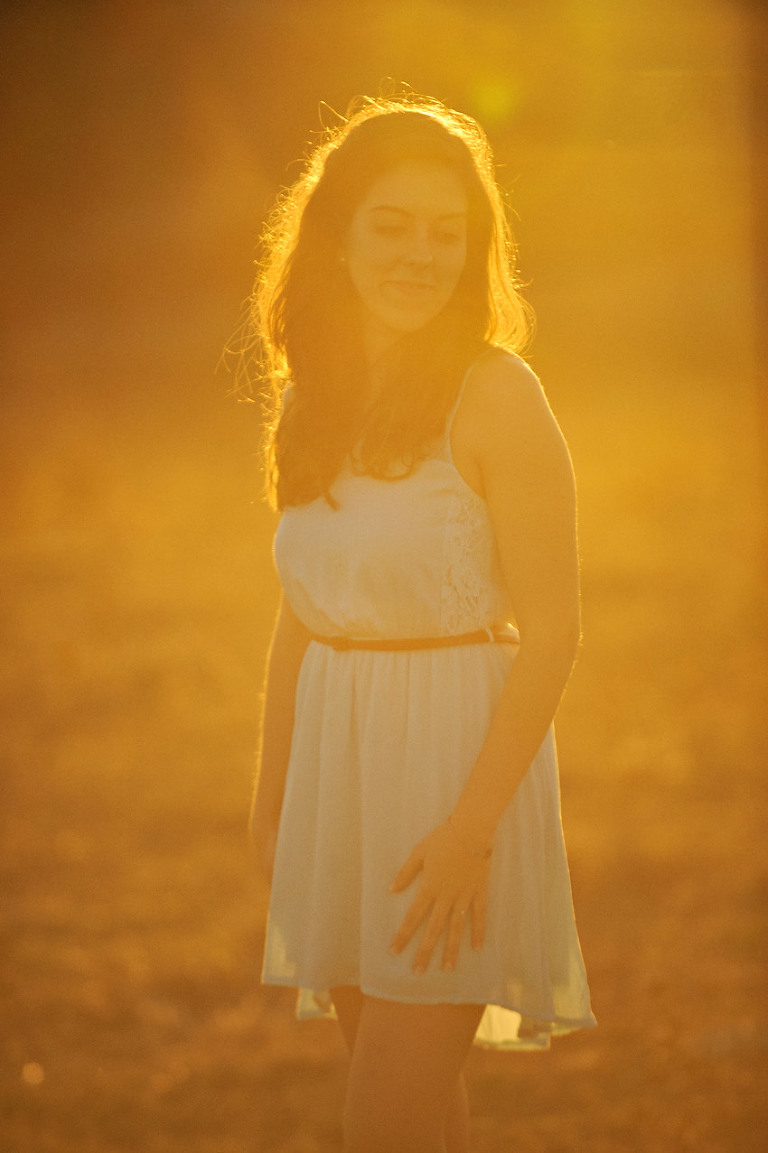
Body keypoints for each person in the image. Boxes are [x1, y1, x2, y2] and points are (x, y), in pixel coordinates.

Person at [246, 92, 595, 1153]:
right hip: (339, 777)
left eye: (448, 233)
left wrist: (470, 830)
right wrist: (273, 807)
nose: (419, 254)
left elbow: (555, 632)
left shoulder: (497, 395)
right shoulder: (318, 389)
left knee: (383, 1119)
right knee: (410, 1107)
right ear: (338, 236)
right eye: (392, 225)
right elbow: (302, 615)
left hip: (455, 782)